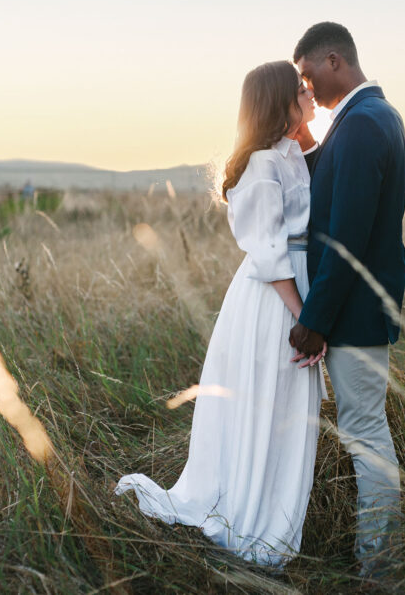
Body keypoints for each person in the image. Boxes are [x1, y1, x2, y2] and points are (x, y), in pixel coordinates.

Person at [115, 61, 327, 568]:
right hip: (274, 303)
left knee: (285, 410)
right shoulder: (260, 166)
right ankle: (250, 520)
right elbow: (267, 250)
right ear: (280, 100)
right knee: (267, 407)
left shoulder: (289, 152)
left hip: (294, 291)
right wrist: (305, 319)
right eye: (301, 89)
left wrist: (303, 125)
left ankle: (273, 512)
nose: (311, 92)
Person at [288, 22, 405, 579]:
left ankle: (378, 565)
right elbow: (336, 194)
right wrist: (310, 147)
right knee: (367, 429)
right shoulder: (370, 118)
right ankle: (377, 557)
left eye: (309, 75)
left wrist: (314, 320)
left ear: (334, 60)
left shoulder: (361, 125)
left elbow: (346, 239)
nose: (307, 89)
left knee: (365, 433)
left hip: (354, 313)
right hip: (362, 309)